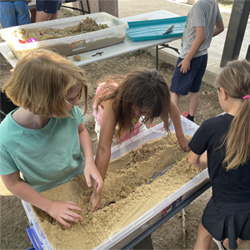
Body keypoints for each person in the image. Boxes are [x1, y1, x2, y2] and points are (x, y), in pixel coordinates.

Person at [0, 49, 103, 227]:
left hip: (78, 180)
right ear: (43, 101)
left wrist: (89, 161)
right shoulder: (5, 137)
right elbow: (14, 183)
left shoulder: (67, 112)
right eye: (71, 99)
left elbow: (81, 131)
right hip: (47, 194)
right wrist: (50, 206)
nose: (77, 103)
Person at [89, 68, 190, 212]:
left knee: (136, 147)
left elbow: (172, 108)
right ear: (132, 101)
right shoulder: (112, 104)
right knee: (116, 154)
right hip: (110, 122)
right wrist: (96, 192)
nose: (146, 115)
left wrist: (181, 137)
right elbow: (103, 149)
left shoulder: (153, 95)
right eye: (143, 112)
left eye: (147, 114)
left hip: (133, 118)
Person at [188, 59, 250, 250]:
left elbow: (192, 159)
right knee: (241, 225)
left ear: (223, 93)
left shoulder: (211, 127)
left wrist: (205, 162)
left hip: (222, 204)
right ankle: (227, 243)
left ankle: (225, 242)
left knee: (204, 233)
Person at [170, 0, 224, 122]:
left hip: (190, 56)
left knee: (174, 91)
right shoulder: (213, 3)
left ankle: (171, 123)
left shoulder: (198, 6)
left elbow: (200, 37)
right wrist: (204, 41)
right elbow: (220, 28)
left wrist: (187, 59)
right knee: (195, 90)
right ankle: (190, 118)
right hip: (202, 56)